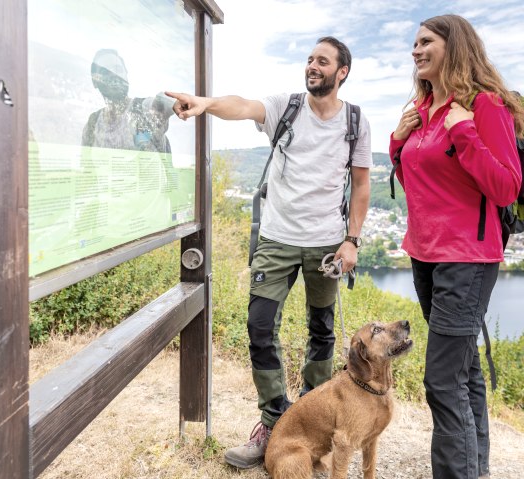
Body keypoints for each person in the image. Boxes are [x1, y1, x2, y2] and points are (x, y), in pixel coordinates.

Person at [167, 36, 372, 469]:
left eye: (323, 61)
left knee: (322, 332)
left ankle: (312, 425)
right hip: (277, 240)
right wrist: (204, 103)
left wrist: (352, 239)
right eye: (310, 59)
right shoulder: (288, 105)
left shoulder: (355, 121)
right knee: (260, 327)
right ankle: (274, 421)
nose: (313, 66)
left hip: (326, 245)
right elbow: (242, 105)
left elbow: (361, 185)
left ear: (342, 72)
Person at [389, 14, 523, 479]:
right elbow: (416, 184)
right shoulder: (422, 107)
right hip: (424, 254)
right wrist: (397, 142)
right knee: (463, 371)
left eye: (425, 41)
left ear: (454, 45)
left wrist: (465, 132)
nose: (416, 50)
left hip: (467, 258)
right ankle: (475, 468)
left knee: (441, 380)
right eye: (414, 43)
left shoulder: (485, 106)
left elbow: (507, 187)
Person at [82, 48, 174, 153]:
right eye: (105, 71)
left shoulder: (142, 110)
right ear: (95, 82)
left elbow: (158, 105)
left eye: (118, 69)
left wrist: (172, 103)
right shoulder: (92, 124)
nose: (114, 74)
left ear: (126, 74)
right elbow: (86, 167)